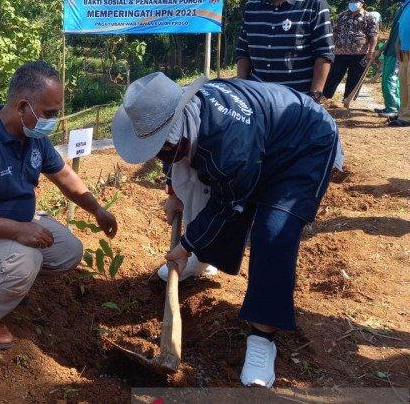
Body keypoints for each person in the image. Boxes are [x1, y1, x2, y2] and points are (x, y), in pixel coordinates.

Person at [112, 72, 340, 388]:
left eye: (162, 149)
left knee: (273, 232)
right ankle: (205, 261)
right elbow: (172, 157)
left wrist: (186, 244)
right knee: (206, 188)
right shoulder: (178, 121)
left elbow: (227, 202)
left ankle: (262, 338)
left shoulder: (226, 142)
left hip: (303, 144)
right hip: (259, 139)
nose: (160, 155)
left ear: (178, 136)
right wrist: (174, 193)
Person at [0, 61, 118, 349]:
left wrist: (96, 208)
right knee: (23, 260)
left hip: (8, 222)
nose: (53, 121)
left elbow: (63, 175)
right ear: (22, 107)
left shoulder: (34, 137)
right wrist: (18, 231)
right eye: (49, 114)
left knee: (68, 251)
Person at [237, 0, 335, 101]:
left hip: (296, 99)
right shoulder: (252, 7)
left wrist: (315, 96)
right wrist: (241, 92)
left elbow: (324, 53)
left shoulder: (313, 4)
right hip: (257, 97)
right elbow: (243, 52)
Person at [322, 0, 379, 101]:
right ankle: (326, 96)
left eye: (355, 2)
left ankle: (348, 98)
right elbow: (335, 32)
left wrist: (371, 52)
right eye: (351, 1)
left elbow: (373, 36)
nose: (353, 4)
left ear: (362, 3)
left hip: (360, 54)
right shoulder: (342, 15)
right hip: (340, 52)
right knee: (334, 75)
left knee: (354, 77)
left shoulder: (369, 17)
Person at [388, 0, 410, 127]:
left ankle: (407, 116)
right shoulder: (406, 6)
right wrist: (397, 44)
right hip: (404, 50)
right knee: (403, 83)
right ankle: (403, 112)